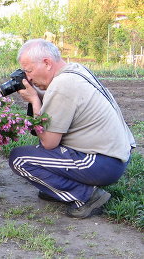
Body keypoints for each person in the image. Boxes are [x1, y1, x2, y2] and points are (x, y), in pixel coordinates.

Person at [9, 38, 136, 219]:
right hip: (115, 156)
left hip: (102, 163)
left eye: (29, 70)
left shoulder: (62, 85)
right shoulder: (75, 70)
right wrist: (39, 95)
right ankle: (57, 188)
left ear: (47, 63)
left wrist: (35, 101)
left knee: (20, 159)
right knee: (37, 154)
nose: (28, 78)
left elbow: (48, 143)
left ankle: (87, 197)